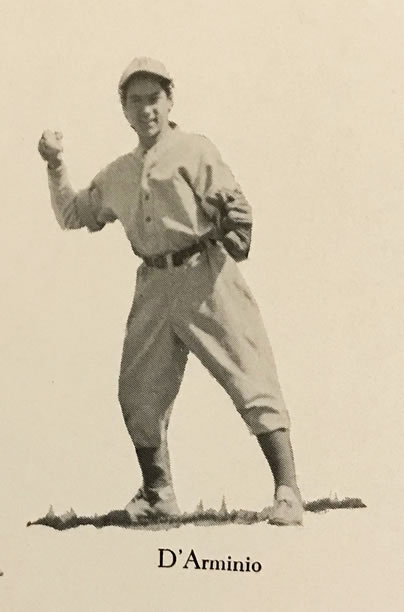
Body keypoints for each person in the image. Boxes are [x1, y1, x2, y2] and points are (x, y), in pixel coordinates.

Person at [38, 56, 303, 526]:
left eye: (154, 98)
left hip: (205, 273)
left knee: (250, 375)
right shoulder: (118, 172)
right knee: (138, 391)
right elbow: (72, 215)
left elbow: (236, 207)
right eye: (135, 101)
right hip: (154, 283)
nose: (146, 109)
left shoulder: (195, 149)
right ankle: (158, 493)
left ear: (170, 100)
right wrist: (56, 164)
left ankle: (288, 491)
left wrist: (235, 235)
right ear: (123, 109)